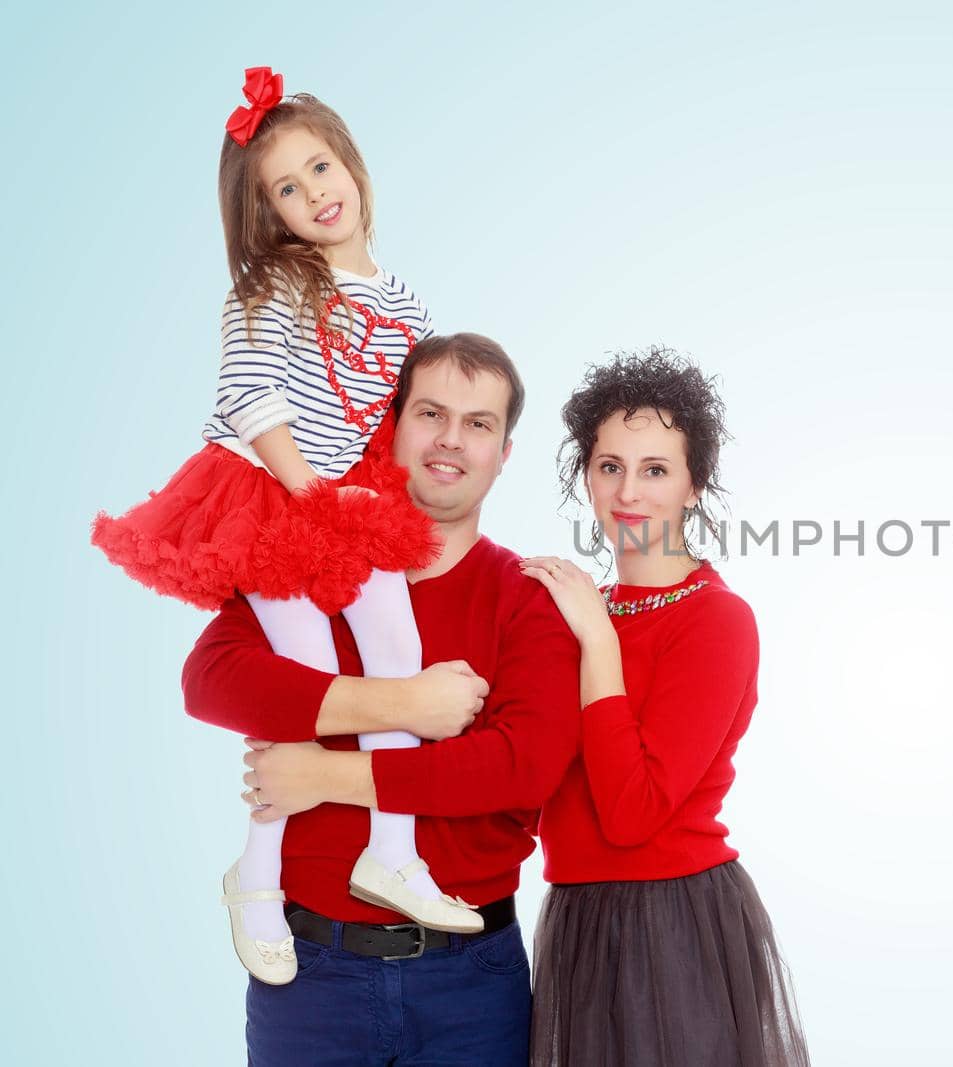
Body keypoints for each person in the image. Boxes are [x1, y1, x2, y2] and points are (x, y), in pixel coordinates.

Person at [91, 66, 477, 983]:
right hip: (270, 489)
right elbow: (251, 395)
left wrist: (393, 499)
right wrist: (311, 491)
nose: (315, 194)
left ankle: (392, 849)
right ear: (268, 214)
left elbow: (403, 414)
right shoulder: (272, 284)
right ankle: (256, 876)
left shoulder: (408, 303)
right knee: (304, 678)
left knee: (396, 645)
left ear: (352, 162)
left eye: (321, 167)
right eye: (287, 189)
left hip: (348, 496)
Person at [182, 334, 578, 1066]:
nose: (451, 440)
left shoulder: (529, 598)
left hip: (473, 980)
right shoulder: (314, 562)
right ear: (392, 425)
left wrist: (326, 774)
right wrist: (405, 703)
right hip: (310, 975)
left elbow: (520, 768)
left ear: (504, 452)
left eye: (479, 422)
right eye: (430, 413)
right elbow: (211, 679)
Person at [520, 348, 809, 1066]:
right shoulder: (583, 611)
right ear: (584, 476)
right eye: (609, 465)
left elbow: (633, 810)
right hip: (579, 918)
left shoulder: (716, 620)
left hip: (674, 924)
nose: (629, 491)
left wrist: (595, 638)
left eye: (655, 469)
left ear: (693, 484)